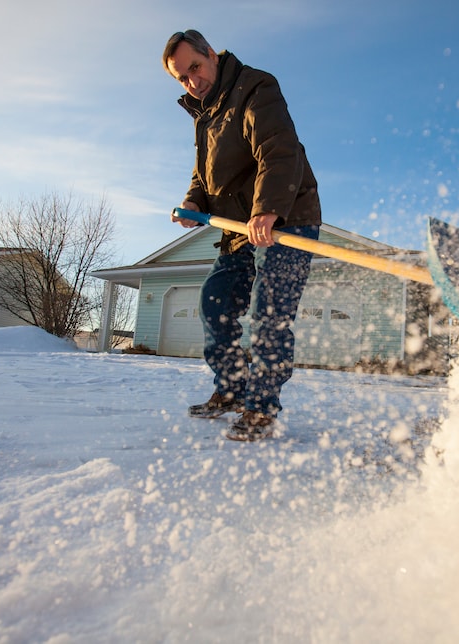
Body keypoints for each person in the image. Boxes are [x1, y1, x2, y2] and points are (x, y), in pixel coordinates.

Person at [163, 29, 322, 441]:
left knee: (270, 314)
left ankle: (261, 407)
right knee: (214, 303)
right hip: (239, 230)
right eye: (182, 77)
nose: (192, 81)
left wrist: (267, 208)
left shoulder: (254, 86)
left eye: (194, 67)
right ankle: (232, 389)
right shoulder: (204, 115)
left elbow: (277, 147)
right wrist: (194, 202)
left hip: (284, 218)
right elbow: (203, 173)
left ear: (211, 55)